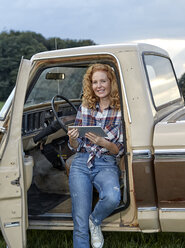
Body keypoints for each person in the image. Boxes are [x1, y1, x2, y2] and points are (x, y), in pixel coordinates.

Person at [67, 64, 124, 248]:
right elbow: (75, 146)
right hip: (81, 162)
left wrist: (104, 143)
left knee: (112, 197)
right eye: (95, 82)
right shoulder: (85, 107)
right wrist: (73, 139)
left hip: (106, 162)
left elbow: (119, 150)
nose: (99, 86)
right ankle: (87, 225)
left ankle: (96, 220)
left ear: (111, 83)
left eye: (103, 81)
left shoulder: (120, 111)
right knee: (79, 223)